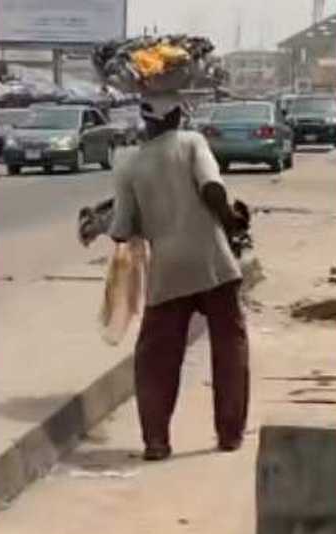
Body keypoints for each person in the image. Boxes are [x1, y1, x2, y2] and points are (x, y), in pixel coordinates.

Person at [109, 94, 250, 461]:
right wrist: (231, 221)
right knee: (229, 347)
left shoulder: (129, 164)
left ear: (146, 122)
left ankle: (156, 441)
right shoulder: (192, 142)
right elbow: (212, 187)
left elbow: (122, 229)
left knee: (155, 358)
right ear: (177, 117)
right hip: (214, 262)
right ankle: (230, 433)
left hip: (167, 274)